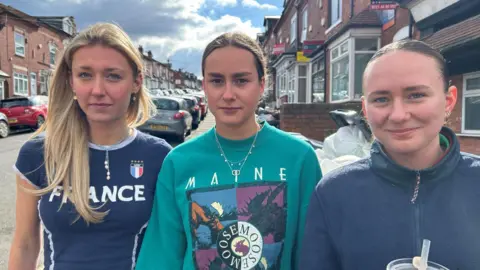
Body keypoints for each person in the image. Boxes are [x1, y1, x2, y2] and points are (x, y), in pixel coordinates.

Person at [136, 32, 322, 270]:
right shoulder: (179, 162)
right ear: (204, 86)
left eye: (241, 80)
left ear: (262, 84)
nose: (228, 94)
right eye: (216, 81)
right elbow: (161, 256)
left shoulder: (299, 157)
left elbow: (312, 252)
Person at [300, 39, 480, 269]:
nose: (398, 115)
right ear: (365, 110)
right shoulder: (333, 193)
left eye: (415, 95)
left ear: (448, 101)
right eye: (381, 99)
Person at [8, 23, 172, 270]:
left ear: (137, 82)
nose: (97, 90)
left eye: (113, 76)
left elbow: (172, 246)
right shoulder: (38, 154)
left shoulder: (159, 156)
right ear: (71, 81)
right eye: (85, 75)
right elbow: (25, 244)